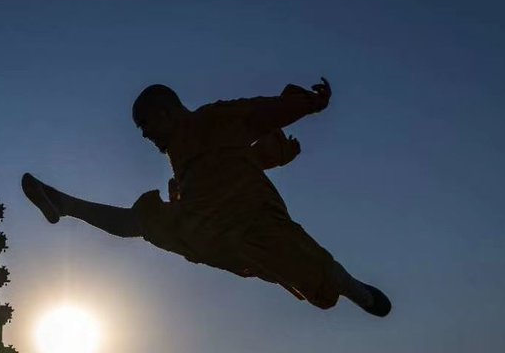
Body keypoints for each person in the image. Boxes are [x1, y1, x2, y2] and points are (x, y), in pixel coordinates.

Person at [22, 78, 390, 316]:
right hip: (205, 226)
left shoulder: (212, 119)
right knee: (142, 221)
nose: (146, 135)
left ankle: (356, 289)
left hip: (251, 218)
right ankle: (64, 204)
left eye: (146, 125)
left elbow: (258, 113)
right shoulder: (181, 158)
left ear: (165, 112)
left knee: (311, 271)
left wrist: (308, 104)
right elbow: (237, 159)